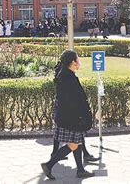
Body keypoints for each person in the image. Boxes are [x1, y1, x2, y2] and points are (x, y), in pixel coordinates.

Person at [41, 50, 95, 179]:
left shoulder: (66, 75)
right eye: (78, 59)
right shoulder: (67, 78)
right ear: (73, 62)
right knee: (73, 144)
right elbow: (71, 101)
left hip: (69, 117)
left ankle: (80, 170)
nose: (79, 61)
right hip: (72, 118)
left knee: (78, 142)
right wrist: (81, 116)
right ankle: (49, 165)